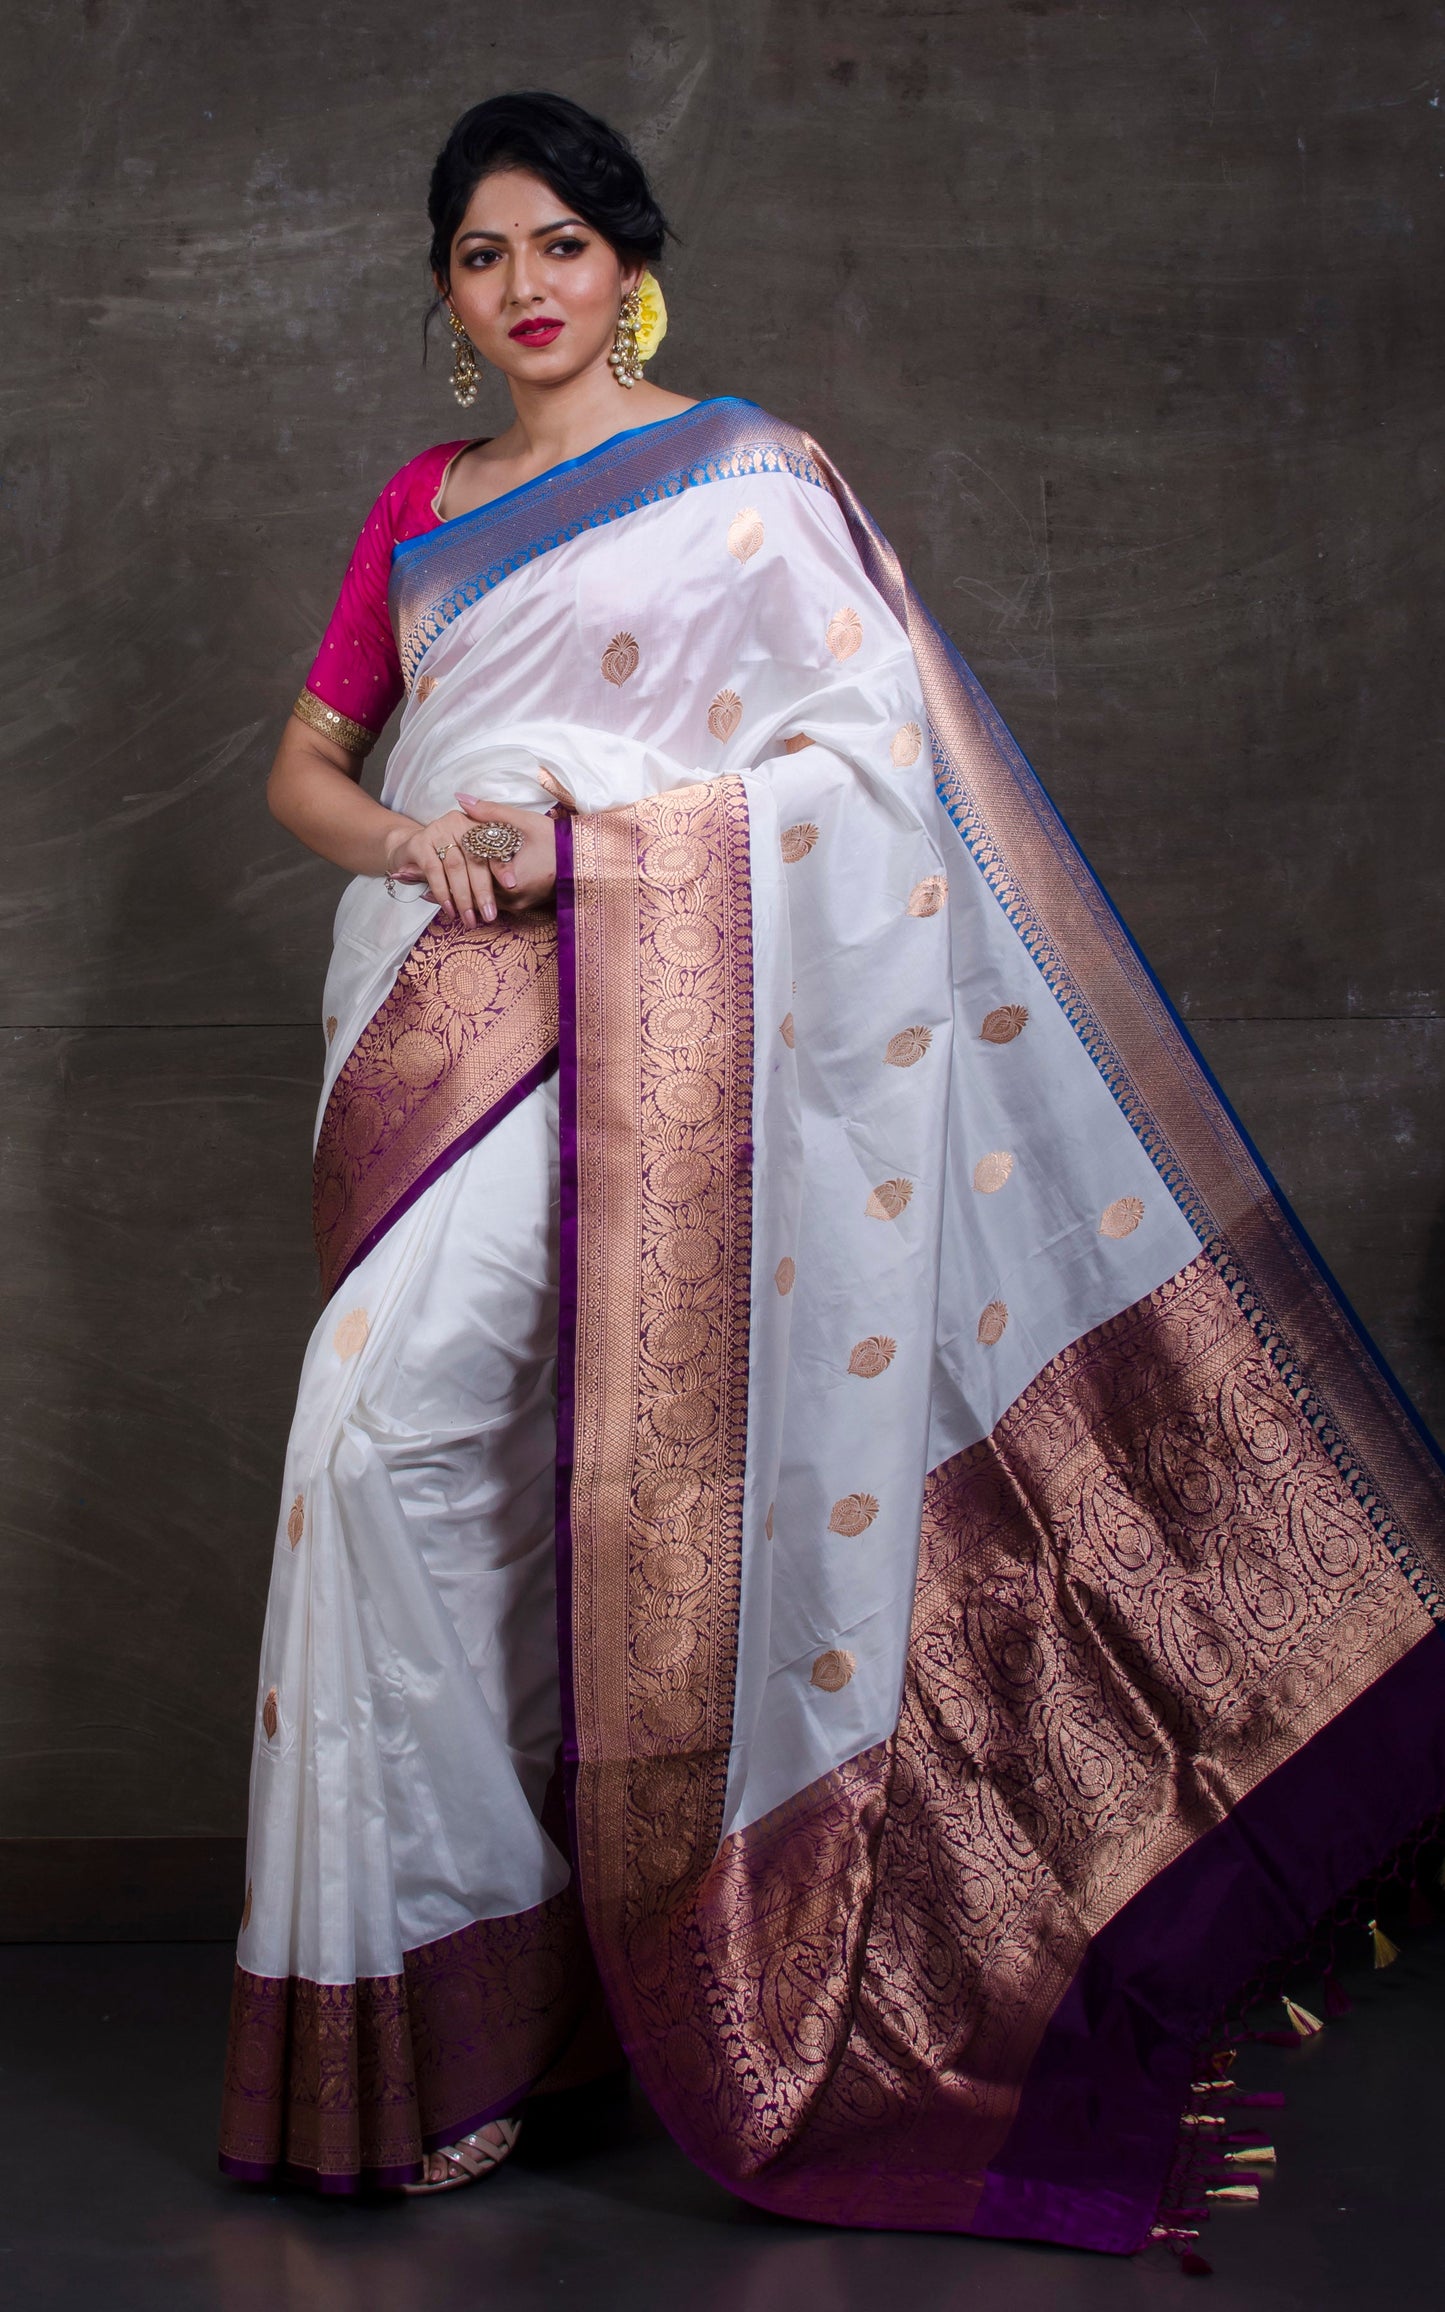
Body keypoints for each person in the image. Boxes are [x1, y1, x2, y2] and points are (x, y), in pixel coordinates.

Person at [220, 89, 1445, 2245]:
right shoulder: (421, 507)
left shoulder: (745, 479)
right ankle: (466, 2008)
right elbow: (307, 772)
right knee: (396, 1460)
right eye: (483, 256)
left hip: (652, 1014)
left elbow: (869, 765)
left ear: (629, 264)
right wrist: (419, 843)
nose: (524, 287)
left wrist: (603, 853)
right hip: (442, 1014)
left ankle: (566, 1976)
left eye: (561, 245)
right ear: (444, 296)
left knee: (485, 1459)